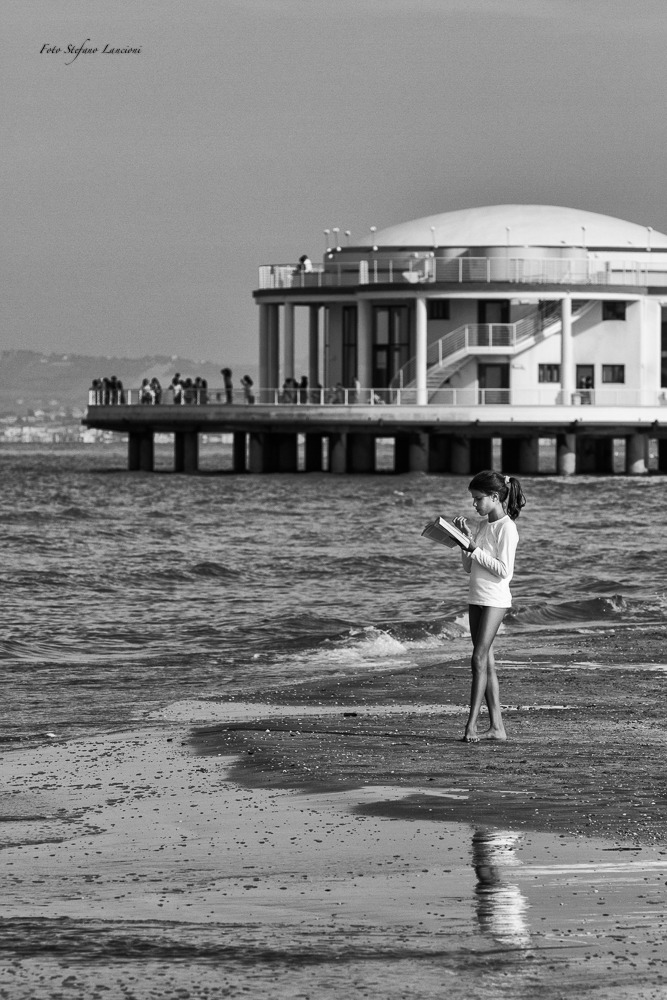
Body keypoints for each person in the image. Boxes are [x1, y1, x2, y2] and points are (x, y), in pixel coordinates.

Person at [452, 470, 526, 744]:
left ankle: (471, 726)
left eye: (478, 498)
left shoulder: (507, 527)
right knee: (487, 663)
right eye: (473, 499)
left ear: (495, 497)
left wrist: (474, 549)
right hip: (477, 597)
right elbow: (469, 567)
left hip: (495, 599)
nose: (474, 504)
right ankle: (497, 728)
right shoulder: (484, 526)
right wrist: (464, 541)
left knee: (478, 659)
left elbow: (504, 571)